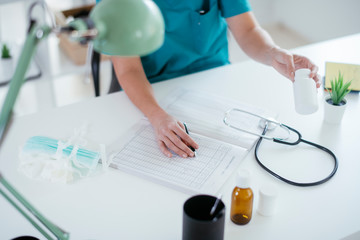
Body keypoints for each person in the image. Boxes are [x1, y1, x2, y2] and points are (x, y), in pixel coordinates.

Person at [109, 0, 320, 159]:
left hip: (215, 78)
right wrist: (157, 117)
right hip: (155, 90)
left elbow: (248, 30)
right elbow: (128, 70)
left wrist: (272, 53)